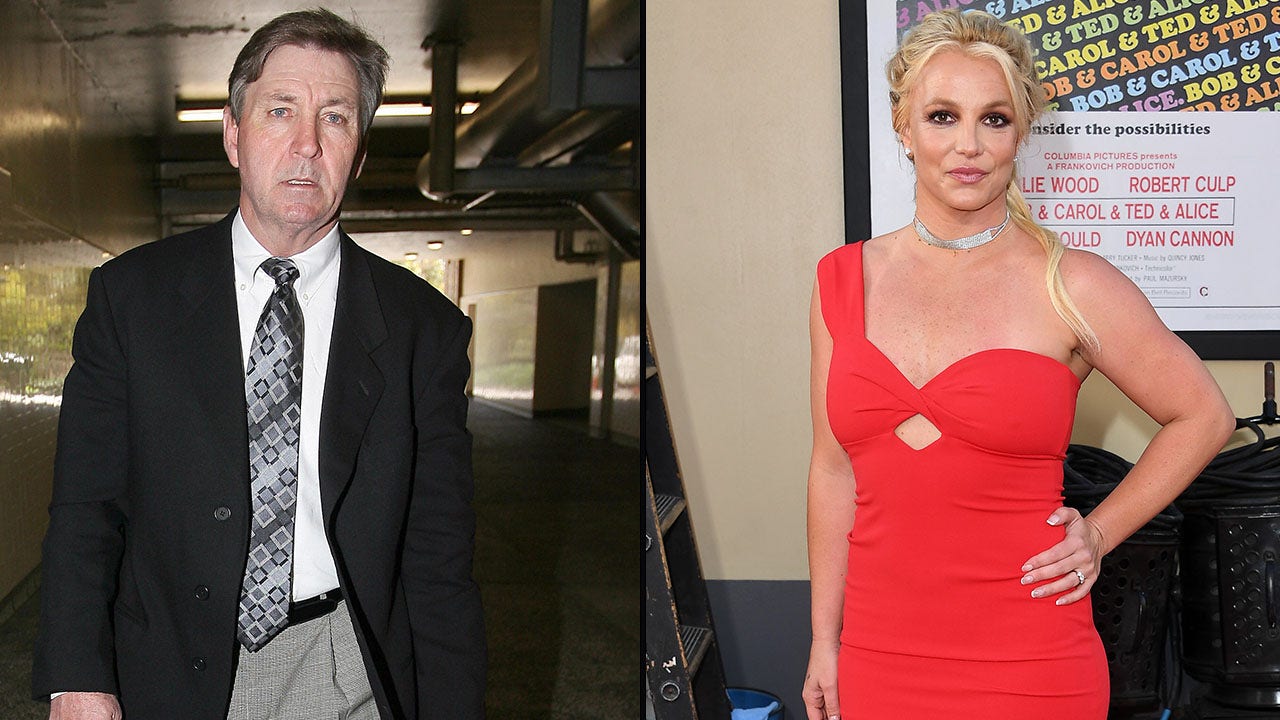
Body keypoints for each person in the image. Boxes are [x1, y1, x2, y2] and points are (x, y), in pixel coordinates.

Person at [31, 9, 484, 720]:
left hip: (343, 667)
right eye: (280, 110)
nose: (307, 144)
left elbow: (439, 557)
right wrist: (77, 677)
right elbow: (87, 508)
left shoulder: (423, 329)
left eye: (335, 118)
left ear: (360, 151)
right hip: (166, 666)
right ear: (233, 134)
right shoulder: (133, 298)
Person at [802, 9, 1233, 719]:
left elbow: (1204, 416)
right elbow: (831, 470)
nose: (968, 145)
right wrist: (825, 641)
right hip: (878, 655)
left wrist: (1099, 532)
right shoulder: (841, 281)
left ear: (1021, 133)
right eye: (942, 116)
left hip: (1032, 661)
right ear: (904, 128)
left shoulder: (1072, 284)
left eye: (994, 119)